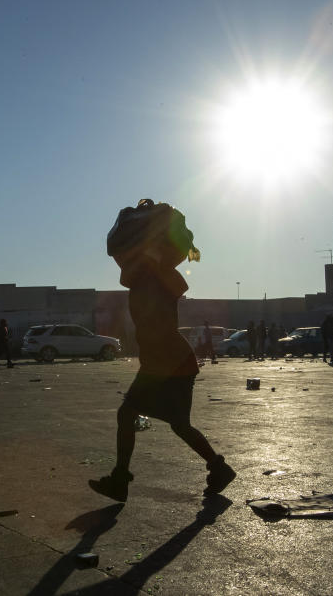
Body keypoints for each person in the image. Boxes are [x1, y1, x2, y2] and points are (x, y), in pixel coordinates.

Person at [90, 199, 234, 502]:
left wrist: (152, 249)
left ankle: (120, 480)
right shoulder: (148, 279)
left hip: (167, 362)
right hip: (170, 362)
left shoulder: (155, 277)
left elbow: (163, 281)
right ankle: (219, 468)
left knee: (129, 413)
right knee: (178, 425)